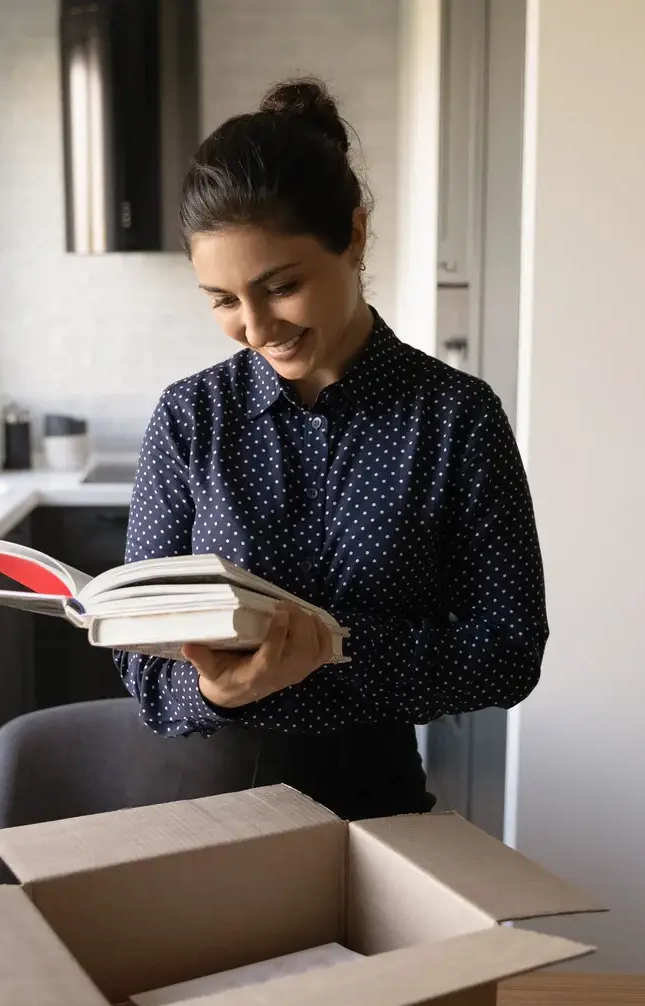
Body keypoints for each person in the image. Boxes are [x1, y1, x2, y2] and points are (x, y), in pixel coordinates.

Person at [115, 78, 547, 820]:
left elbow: (508, 651)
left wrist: (338, 648)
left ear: (354, 235)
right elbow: (135, 655)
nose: (254, 327)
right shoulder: (190, 417)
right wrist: (215, 688)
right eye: (222, 300)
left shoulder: (456, 419)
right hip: (202, 804)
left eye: (280, 286)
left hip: (376, 805)